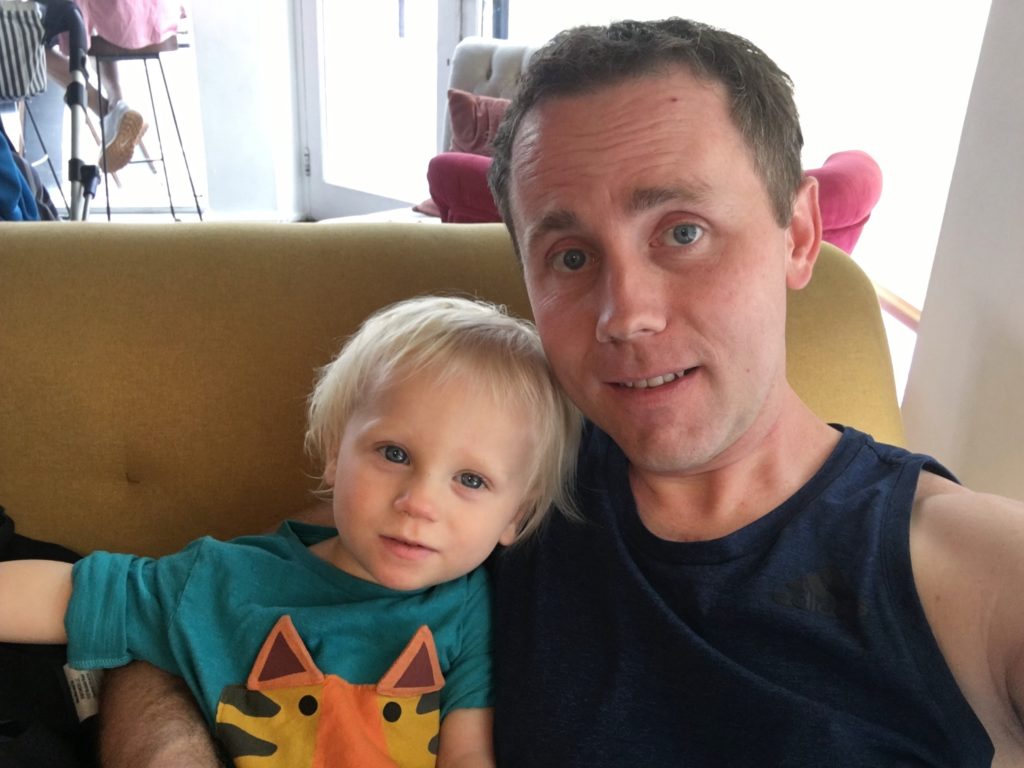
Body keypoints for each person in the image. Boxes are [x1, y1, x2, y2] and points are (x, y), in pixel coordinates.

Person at [100, 17, 1024, 768]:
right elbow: (178, 611)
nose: (625, 314)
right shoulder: (497, 477)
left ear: (799, 233)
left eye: (683, 231)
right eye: (572, 257)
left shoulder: (952, 568)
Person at [0, 295, 580, 768]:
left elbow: (467, 752)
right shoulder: (223, 580)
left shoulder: (470, 609)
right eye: (394, 453)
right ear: (334, 455)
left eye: (471, 480)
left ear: (515, 517)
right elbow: (73, 594)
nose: (420, 503)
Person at [44, 0, 184, 172]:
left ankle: (104, 111)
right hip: (154, 14)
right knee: (92, 24)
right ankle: (118, 105)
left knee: (30, 45)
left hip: (123, 17)